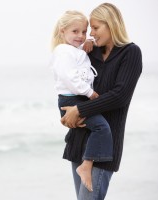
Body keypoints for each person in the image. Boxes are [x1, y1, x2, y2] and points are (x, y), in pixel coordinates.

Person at [60, 3, 142, 200]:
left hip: (104, 148)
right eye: (91, 29)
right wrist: (66, 116)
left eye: (96, 28)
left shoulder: (130, 53)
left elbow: (119, 95)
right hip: (78, 141)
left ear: (111, 24)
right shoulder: (89, 52)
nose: (91, 33)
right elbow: (69, 83)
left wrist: (79, 110)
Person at [49, 10, 113, 192]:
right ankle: (86, 165)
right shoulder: (63, 51)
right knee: (102, 128)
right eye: (75, 31)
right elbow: (70, 78)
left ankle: (86, 163)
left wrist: (89, 42)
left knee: (98, 128)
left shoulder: (74, 50)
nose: (81, 36)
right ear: (63, 31)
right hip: (72, 100)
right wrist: (90, 93)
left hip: (78, 99)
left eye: (84, 32)